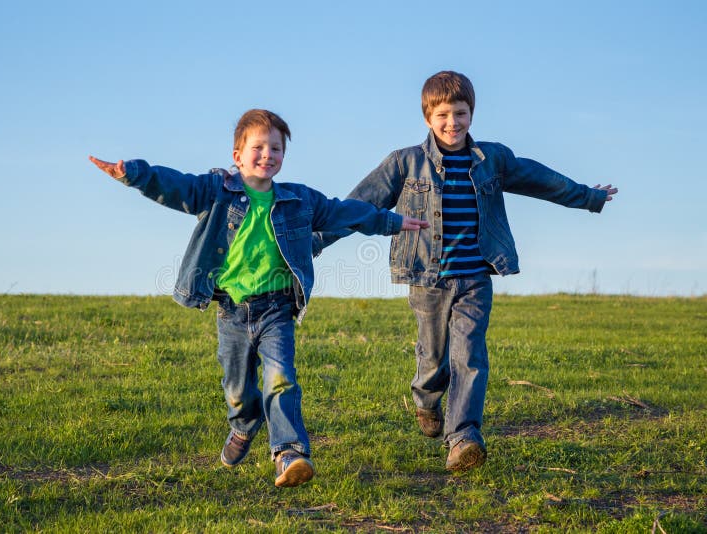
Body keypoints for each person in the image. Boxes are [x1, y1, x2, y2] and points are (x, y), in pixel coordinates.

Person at [89, 109, 428, 487]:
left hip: (276, 310)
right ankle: (243, 424)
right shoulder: (216, 191)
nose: (268, 155)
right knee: (237, 390)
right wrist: (133, 173)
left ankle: (289, 454)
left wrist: (392, 222)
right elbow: (177, 186)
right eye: (259, 147)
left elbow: (341, 211)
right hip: (232, 311)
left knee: (281, 380)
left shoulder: (298, 200)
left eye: (276, 148)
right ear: (238, 155)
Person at [313, 71, 618, 472]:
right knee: (433, 358)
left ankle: (463, 438)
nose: (452, 122)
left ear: (472, 114)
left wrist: (589, 197)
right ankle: (425, 398)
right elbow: (359, 205)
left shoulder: (492, 159)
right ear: (428, 117)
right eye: (443, 114)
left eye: (460, 113)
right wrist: (315, 240)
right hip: (428, 278)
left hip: (475, 276)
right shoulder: (405, 162)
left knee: (470, 356)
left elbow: (541, 180)